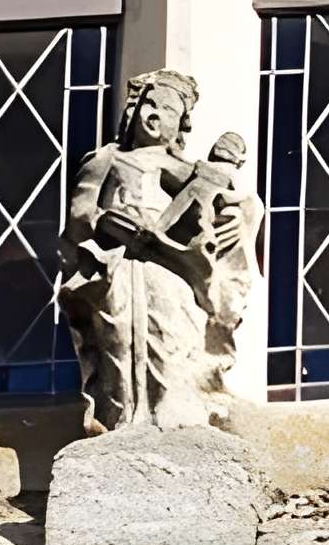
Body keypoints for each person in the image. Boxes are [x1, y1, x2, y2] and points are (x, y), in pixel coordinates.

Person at [59, 74, 261, 435]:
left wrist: (240, 216)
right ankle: (121, 419)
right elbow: (80, 217)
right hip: (119, 267)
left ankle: (178, 418)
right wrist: (109, 222)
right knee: (119, 339)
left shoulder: (193, 172)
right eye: (149, 105)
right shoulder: (108, 159)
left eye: (168, 109)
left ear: (181, 123)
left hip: (172, 266)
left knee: (172, 334)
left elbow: (231, 206)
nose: (154, 115)